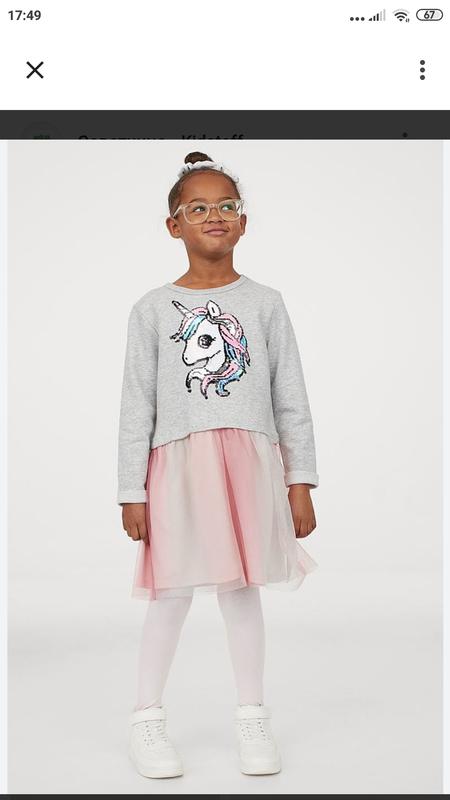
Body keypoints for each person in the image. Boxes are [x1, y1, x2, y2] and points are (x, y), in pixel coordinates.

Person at [117, 151, 320, 779]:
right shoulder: (152, 310)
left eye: (226, 205)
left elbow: (291, 397)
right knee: (171, 592)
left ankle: (252, 714)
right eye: (199, 207)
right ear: (174, 225)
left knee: (241, 589)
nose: (215, 215)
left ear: (243, 221)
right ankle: (146, 718)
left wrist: (300, 481)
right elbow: (137, 404)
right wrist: (131, 490)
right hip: (177, 469)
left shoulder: (266, 303)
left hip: (250, 466)